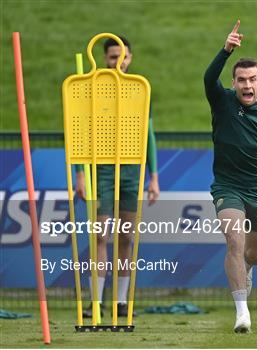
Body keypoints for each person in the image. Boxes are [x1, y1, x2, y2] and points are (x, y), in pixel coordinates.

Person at [203, 20, 257, 333]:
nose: (246, 85)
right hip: (228, 187)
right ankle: (242, 312)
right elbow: (208, 77)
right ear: (234, 83)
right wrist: (226, 50)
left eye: (252, 79)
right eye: (241, 80)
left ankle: (248, 268)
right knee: (234, 242)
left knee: (255, 252)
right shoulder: (222, 102)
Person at [74, 36, 160, 318]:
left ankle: (121, 302)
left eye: (123, 57)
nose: (119, 62)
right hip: (101, 169)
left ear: (130, 58)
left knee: (126, 237)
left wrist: (154, 176)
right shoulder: (92, 89)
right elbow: (78, 131)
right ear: (104, 59)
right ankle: (95, 302)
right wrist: (80, 174)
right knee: (100, 236)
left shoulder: (139, 89)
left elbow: (148, 134)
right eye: (113, 57)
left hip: (132, 169)